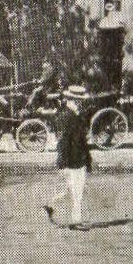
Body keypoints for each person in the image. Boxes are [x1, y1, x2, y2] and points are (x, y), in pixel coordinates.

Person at [43, 85, 92, 228]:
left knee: (70, 190)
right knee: (77, 192)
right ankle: (76, 221)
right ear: (71, 100)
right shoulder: (67, 117)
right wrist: (62, 162)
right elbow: (63, 141)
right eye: (78, 100)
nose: (81, 103)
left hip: (77, 158)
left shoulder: (74, 115)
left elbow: (82, 140)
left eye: (81, 100)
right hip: (72, 160)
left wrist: (87, 159)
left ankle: (51, 206)